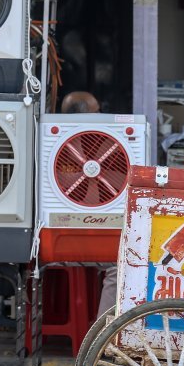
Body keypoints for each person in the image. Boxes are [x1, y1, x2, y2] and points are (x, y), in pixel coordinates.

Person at [59, 91, 117, 319]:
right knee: (119, 265)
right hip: (67, 238)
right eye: (98, 112)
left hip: (64, 235)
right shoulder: (75, 149)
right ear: (88, 117)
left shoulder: (57, 142)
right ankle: (103, 335)